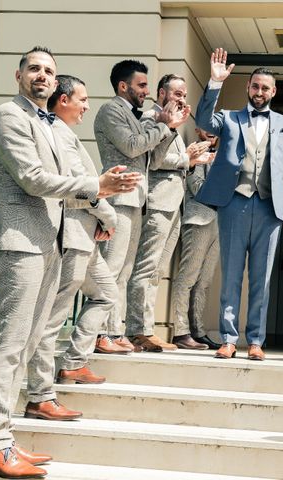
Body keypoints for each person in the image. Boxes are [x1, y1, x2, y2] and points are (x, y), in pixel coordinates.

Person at [0, 47, 140, 479]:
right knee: (8, 345)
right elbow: (32, 180)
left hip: (49, 244)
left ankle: (1, 438)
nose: (43, 75)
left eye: (49, 70)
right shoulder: (9, 117)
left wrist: (95, 191)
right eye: (35, 69)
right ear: (18, 75)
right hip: (17, 243)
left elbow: (61, 186)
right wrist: (97, 187)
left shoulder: (46, 123)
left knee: (27, 344)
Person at [23, 74, 126, 423]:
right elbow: (80, 189)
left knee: (106, 294)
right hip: (71, 235)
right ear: (63, 99)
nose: (86, 106)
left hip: (85, 235)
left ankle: (74, 363)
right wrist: (109, 217)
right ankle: (39, 395)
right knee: (52, 317)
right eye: (82, 99)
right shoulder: (58, 135)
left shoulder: (67, 134)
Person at [195, 48, 283, 360]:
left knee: (262, 277)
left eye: (265, 88)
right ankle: (229, 339)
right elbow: (204, 120)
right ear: (248, 88)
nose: (260, 92)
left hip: (270, 208)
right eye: (255, 86)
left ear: (274, 91)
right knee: (231, 274)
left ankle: (256, 341)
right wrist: (215, 83)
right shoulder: (230, 118)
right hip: (233, 204)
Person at [93, 60, 189, 352]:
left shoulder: (132, 115)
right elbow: (134, 147)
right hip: (119, 197)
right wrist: (164, 126)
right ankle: (100, 333)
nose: (146, 91)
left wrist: (167, 128)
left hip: (136, 198)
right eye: (142, 85)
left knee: (124, 269)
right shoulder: (111, 111)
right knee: (111, 269)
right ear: (123, 86)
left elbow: (150, 156)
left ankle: (115, 330)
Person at [125, 74, 212, 352]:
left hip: (174, 204)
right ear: (162, 94)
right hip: (157, 202)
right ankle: (136, 329)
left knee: (157, 270)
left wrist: (186, 156)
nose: (182, 100)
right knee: (146, 267)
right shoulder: (152, 118)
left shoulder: (170, 124)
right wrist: (189, 159)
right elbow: (155, 159)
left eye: (184, 95)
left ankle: (145, 329)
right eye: (177, 94)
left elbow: (167, 158)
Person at [170, 128, 222, 350]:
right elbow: (198, 187)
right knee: (188, 277)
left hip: (219, 223)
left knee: (205, 281)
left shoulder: (225, 155)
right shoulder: (195, 153)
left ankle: (198, 331)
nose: (211, 133)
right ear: (198, 130)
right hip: (198, 219)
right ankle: (181, 332)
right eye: (207, 128)